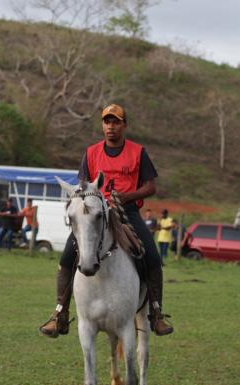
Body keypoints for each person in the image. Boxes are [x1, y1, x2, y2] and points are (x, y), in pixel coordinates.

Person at [39, 103, 174, 338]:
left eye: (116, 122)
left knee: (152, 255)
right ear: (102, 125)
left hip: (127, 212)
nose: (111, 126)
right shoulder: (91, 153)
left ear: (124, 125)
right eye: (107, 122)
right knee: (67, 258)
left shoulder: (138, 152)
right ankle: (59, 314)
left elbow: (151, 186)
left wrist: (129, 196)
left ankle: (156, 313)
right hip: (95, 215)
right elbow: (81, 186)